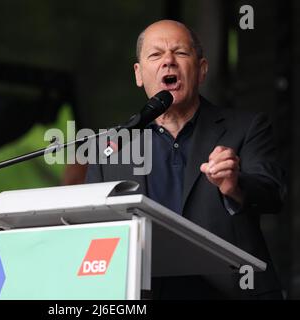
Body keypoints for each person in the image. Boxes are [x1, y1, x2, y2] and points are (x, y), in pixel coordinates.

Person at [85, 20, 286, 299]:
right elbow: (93, 234)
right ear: (139, 74)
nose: (168, 61)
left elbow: (273, 195)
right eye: (155, 55)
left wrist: (235, 185)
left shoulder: (246, 127)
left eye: (180, 53)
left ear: (202, 69)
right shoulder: (111, 148)